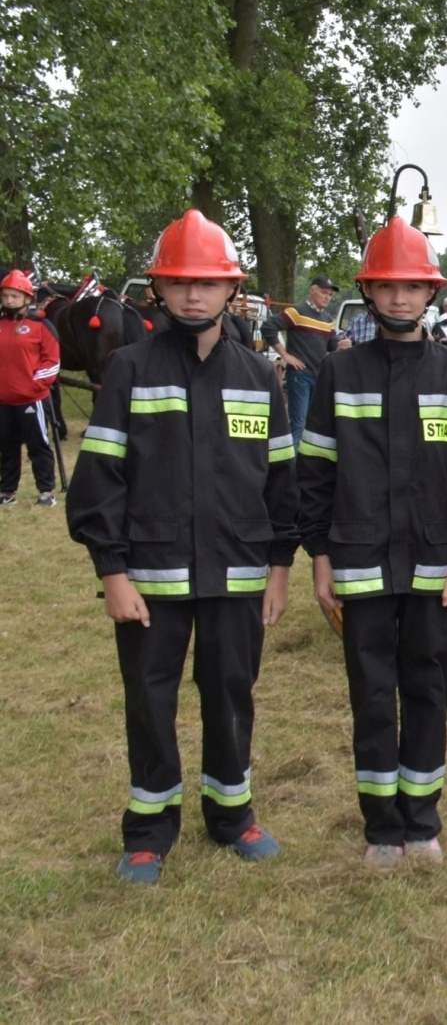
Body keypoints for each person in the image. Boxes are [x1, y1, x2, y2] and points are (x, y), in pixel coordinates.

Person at [66, 209, 297, 884]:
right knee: (149, 697)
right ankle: (149, 827)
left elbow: (281, 482)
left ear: (232, 289)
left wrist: (280, 566)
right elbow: (99, 480)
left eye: (208, 282)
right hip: (149, 575)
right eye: (180, 282)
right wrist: (112, 571)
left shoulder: (260, 376)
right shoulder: (128, 370)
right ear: (158, 290)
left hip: (238, 570)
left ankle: (232, 814)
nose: (194, 295)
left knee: (231, 691)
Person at [297, 216, 447, 869]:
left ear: (431, 293)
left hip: (437, 569)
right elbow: (316, 475)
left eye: (413, 286)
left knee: (429, 689)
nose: (401, 298)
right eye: (388, 287)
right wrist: (321, 557)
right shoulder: (339, 373)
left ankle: (423, 820)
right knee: (372, 691)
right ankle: (381, 825)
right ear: (370, 292)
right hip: (359, 565)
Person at [0, 269, 59, 506]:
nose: (9, 300)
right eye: (5, 296)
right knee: (7, 448)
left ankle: (46, 492)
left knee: (38, 446)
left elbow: (52, 361)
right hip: (3, 400)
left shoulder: (41, 326)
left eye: (14, 296)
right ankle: (7, 491)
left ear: (27, 297)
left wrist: (34, 384)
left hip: (31, 399)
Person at [262, 273, 341, 448]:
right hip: (300, 376)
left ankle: (303, 464)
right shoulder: (296, 312)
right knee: (299, 423)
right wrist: (285, 355)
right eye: (324, 292)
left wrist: (343, 345)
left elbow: (332, 346)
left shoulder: (328, 320)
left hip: (318, 376)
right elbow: (268, 327)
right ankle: (291, 468)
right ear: (312, 290)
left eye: (330, 295)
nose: (327, 297)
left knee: (312, 424)